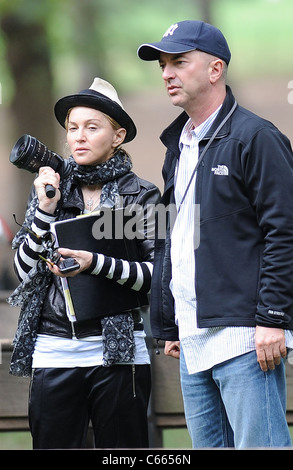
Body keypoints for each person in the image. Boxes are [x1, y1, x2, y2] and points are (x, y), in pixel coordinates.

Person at [138, 20, 293, 448]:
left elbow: (285, 231)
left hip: (245, 334)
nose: (167, 73)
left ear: (215, 69)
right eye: (163, 64)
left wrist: (272, 318)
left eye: (179, 62)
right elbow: (173, 238)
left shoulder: (256, 137)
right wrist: (169, 322)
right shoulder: (179, 145)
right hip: (193, 339)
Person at [9, 78, 160, 449]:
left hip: (119, 356)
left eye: (92, 128)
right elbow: (23, 272)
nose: (79, 136)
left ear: (118, 135)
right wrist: (45, 210)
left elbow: (161, 276)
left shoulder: (141, 194)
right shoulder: (51, 190)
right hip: (53, 350)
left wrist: (96, 263)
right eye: (72, 128)